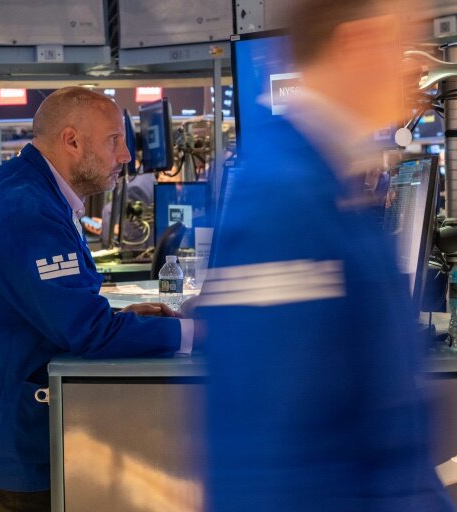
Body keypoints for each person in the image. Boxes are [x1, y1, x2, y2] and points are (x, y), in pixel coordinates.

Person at [185, 0, 454, 510]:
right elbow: (274, 451)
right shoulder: (282, 196)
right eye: (405, 43)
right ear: (359, 43)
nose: (417, 66)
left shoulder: (329, 180)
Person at [0, 87, 195, 511]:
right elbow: (87, 332)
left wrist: (115, 317)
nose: (126, 155)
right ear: (71, 140)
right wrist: (194, 332)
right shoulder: (27, 207)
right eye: (114, 140)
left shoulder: (20, 184)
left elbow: (44, 307)